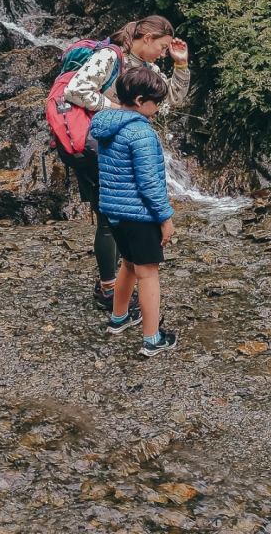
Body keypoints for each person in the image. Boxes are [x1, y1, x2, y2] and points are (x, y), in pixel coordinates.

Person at [63, 15, 190, 311]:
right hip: (98, 146)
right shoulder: (109, 56)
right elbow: (75, 90)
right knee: (109, 216)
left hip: (126, 148)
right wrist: (119, 109)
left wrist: (181, 64)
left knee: (124, 214)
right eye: (162, 46)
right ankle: (109, 287)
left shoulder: (149, 69)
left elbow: (170, 99)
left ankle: (122, 284)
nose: (163, 53)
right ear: (146, 39)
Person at [89, 67, 178, 356]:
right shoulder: (141, 132)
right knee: (148, 273)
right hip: (139, 215)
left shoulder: (106, 125)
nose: (158, 107)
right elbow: (150, 183)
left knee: (127, 264)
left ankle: (120, 317)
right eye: (157, 102)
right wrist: (165, 217)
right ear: (140, 100)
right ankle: (152, 339)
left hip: (113, 212)